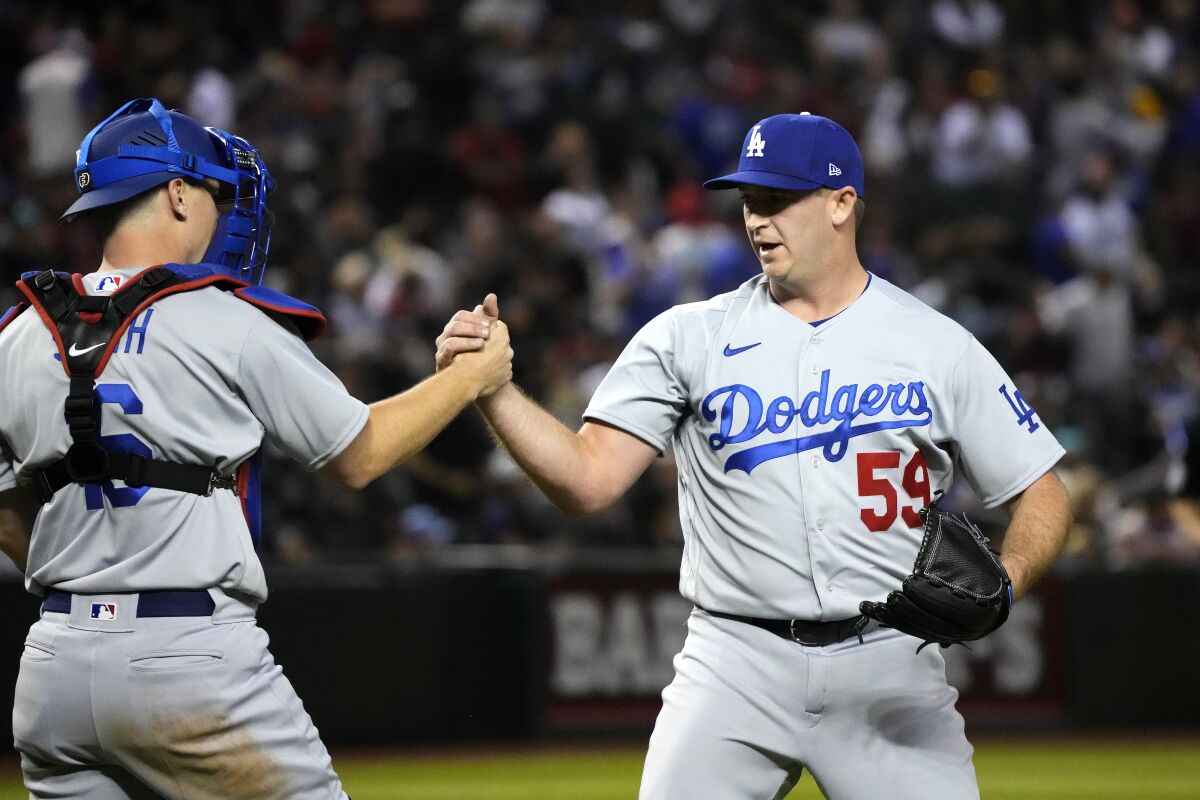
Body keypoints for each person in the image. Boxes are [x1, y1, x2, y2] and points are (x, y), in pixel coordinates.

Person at [437, 113, 1071, 799]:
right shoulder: (687, 338)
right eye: (748, 201)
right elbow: (587, 480)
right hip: (734, 661)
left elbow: (1043, 489)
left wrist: (1007, 578)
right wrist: (495, 393)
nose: (757, 221)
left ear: (840, 203)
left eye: (778, 200)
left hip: (891, 660)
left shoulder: (935, 344)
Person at [0, 98, 511, 799]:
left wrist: (97, 583)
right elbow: (359, 455)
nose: (222, 210)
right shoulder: (223, 317)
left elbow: (4, 515)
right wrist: (467, 380)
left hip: (52, 668)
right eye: (213, 191)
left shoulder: (18, 335)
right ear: (177, 193)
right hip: (188, 660)